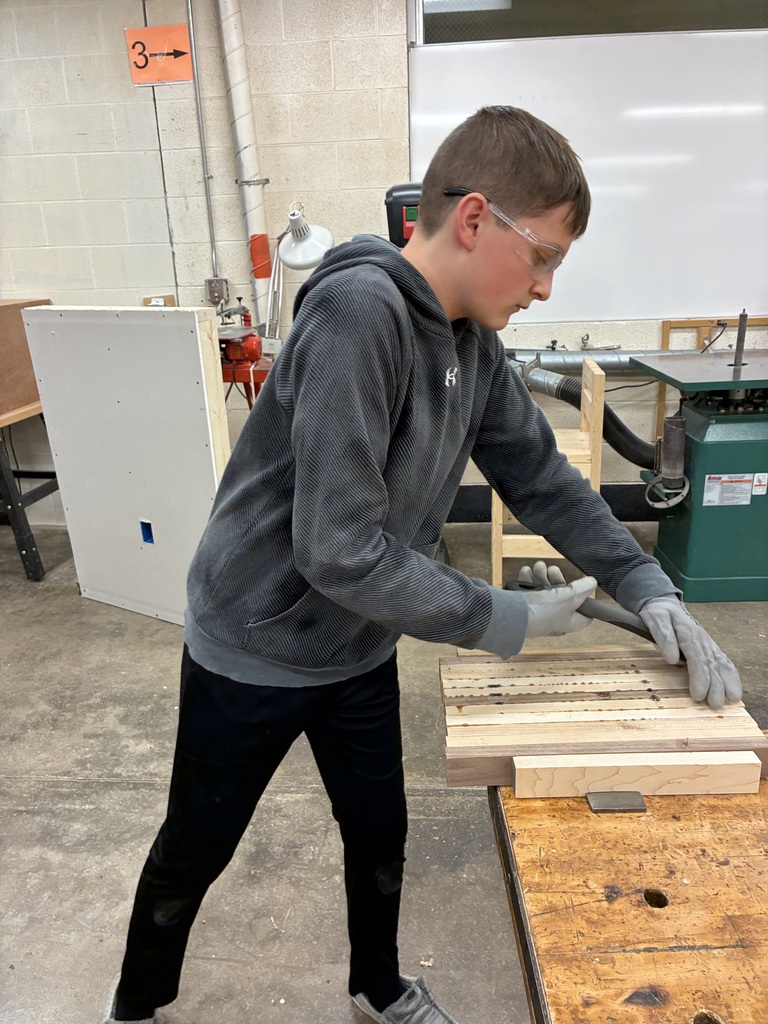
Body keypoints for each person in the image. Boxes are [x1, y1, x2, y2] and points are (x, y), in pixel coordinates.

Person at [105, 106, 741, 1024]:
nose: (548, 289)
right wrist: (505, 619)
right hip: (254, 638)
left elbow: (542, 479)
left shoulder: (473, 345)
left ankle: (378, 987)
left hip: (356, 643)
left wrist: (646, 586)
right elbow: (338, 547)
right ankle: (134, 1003)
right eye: (546, 257)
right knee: (197, 843)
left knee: (378, 833)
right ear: (475, 220)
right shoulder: (359, 315)